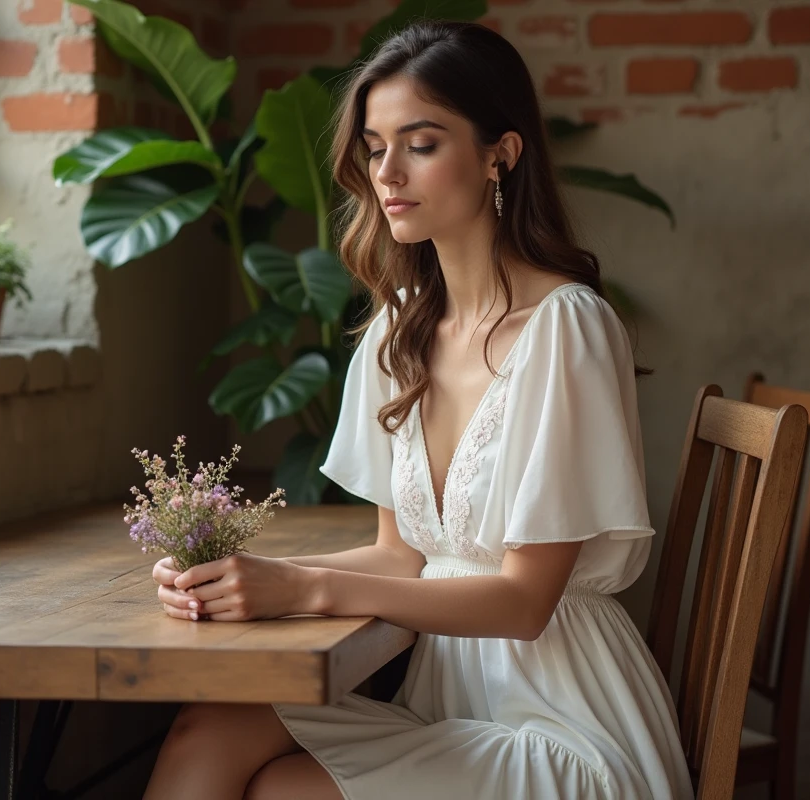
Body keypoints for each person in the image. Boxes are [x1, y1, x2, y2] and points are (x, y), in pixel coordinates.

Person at [142, 19, 694, 800]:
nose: (387, 173)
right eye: (373, 147)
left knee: (281, 793)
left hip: (564, 727)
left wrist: (304, 590)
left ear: (500, 154)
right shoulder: (398, 326)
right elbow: (401, 556)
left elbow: (525, 601)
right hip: (448, 706)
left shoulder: (566, 327)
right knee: (208, 731)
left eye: (421, 144)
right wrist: (240, 579)